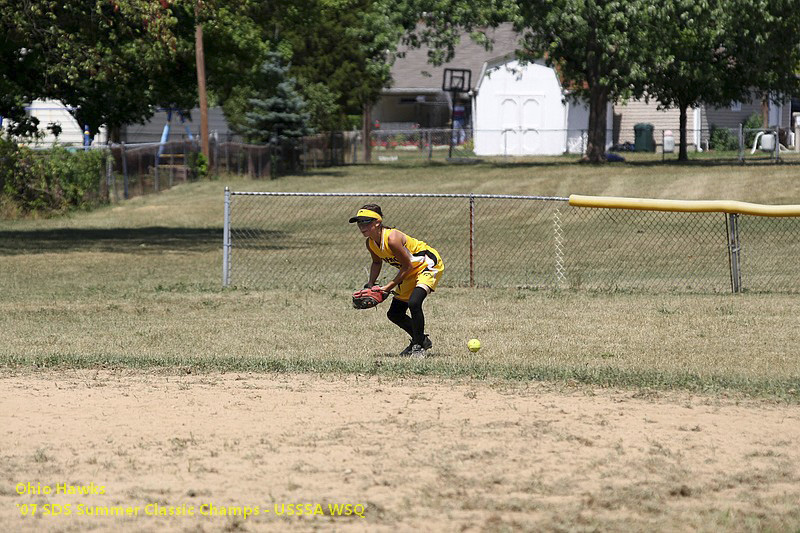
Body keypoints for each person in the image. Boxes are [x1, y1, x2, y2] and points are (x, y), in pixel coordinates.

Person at [349, 204, 444, 357]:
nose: (361, 226)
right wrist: (370, 284)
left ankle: (418, 346)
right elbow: (376, 262)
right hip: (410, 271)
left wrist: (387, 287)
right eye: (359, 222)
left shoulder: (392, 238)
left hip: (426, 263)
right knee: (395, 313)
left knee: (414, 302)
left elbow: (407, 265)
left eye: (366, 222)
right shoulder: (371, 243)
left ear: (377, 223)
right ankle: (421, 340)